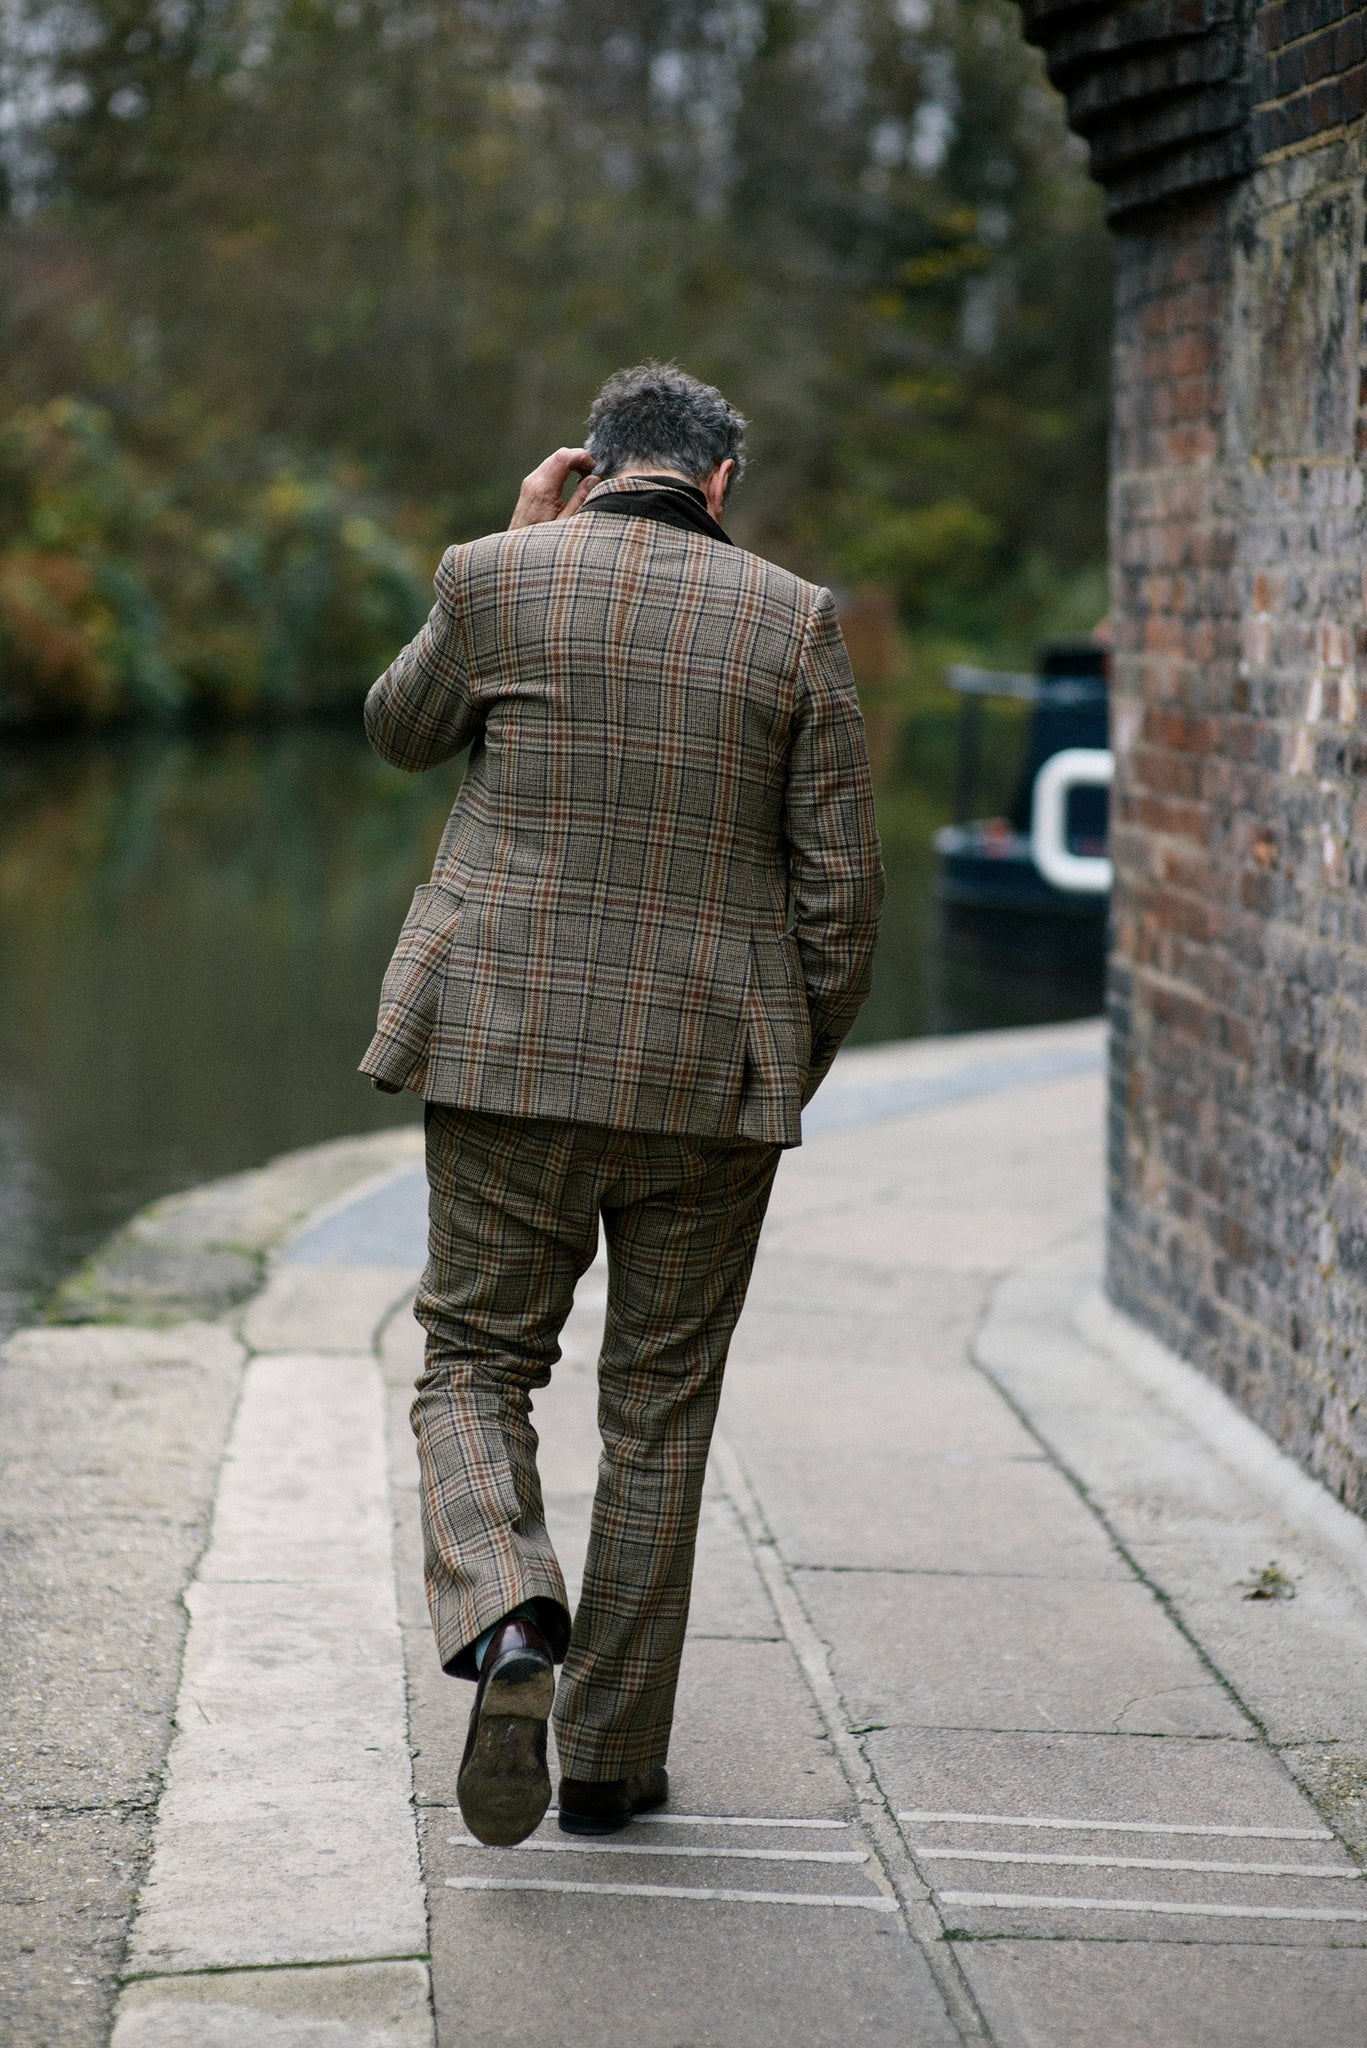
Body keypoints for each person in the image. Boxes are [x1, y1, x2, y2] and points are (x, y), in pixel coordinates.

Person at [360, 363, 883, 1847]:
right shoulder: (795, 619)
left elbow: (401, 733)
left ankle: (511, 1612)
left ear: (590, 468)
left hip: (505, 1050)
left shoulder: (493, 578)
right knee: (660, 1408)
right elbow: (842, 892)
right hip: (709, 1083)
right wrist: (779, 1058)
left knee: (471, 1356)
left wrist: (511, 533)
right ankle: (607, 1763)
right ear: (721, 483)